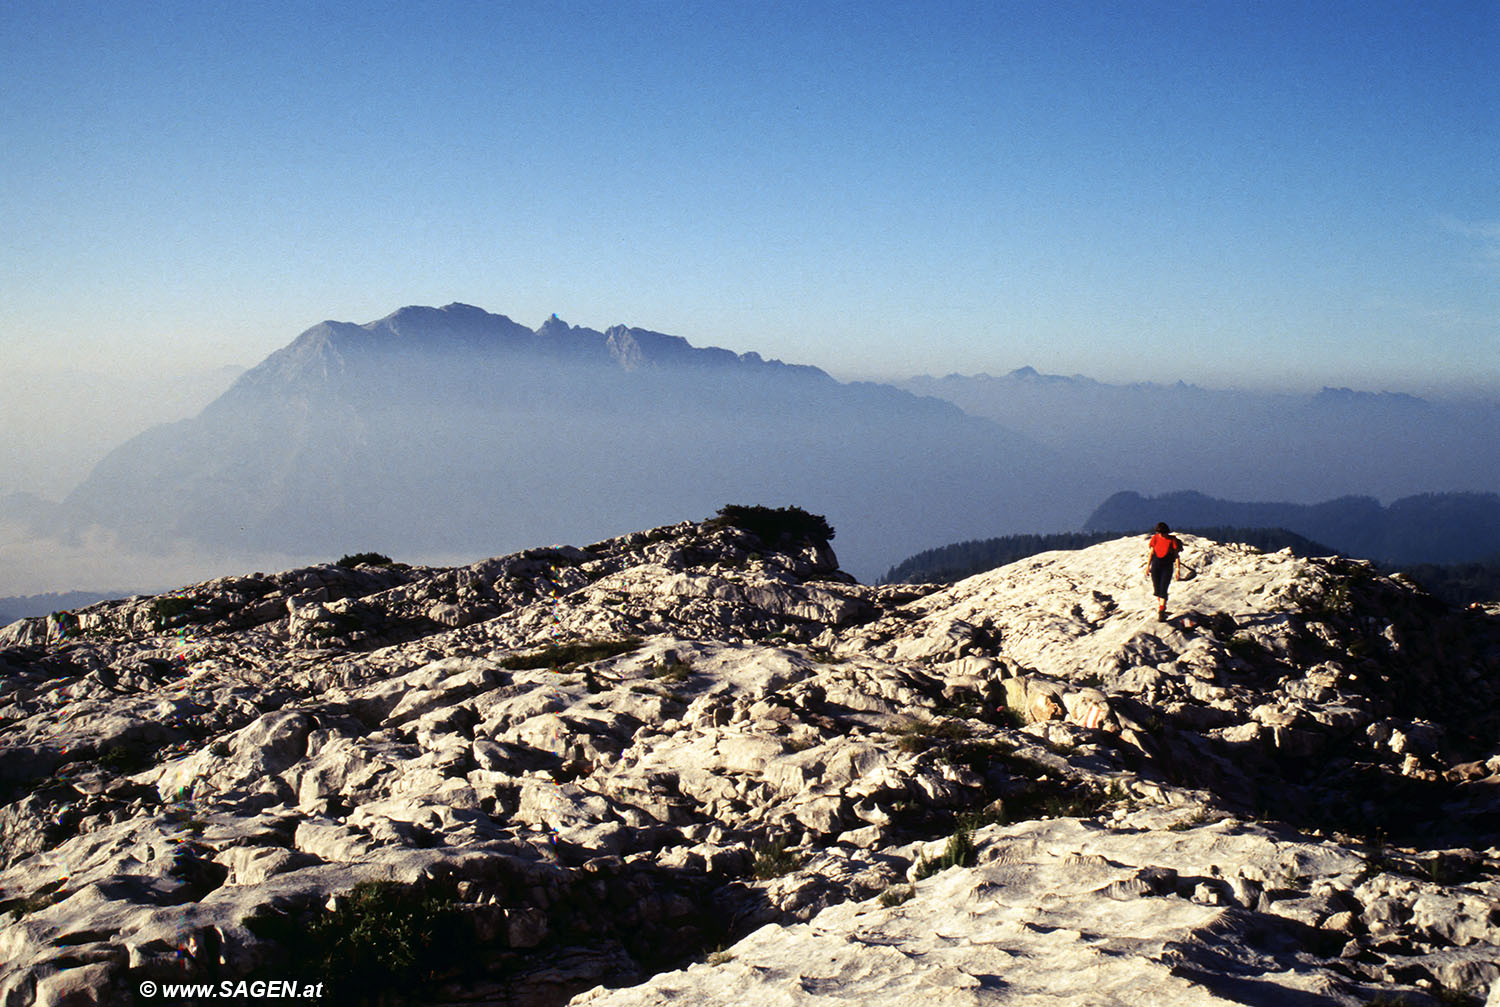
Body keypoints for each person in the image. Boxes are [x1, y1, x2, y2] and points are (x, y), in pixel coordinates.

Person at [1145, 522, 1183, 621]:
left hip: (1167, 566)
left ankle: (1161, 611)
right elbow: (1151, 553)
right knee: (1157, 589)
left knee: (1163, 588)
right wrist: (1148, 566)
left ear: (1166, 532)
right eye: (1159, 532)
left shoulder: (1172, 540)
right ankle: (1162, 604)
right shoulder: (1155, 538)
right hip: (1156, 566)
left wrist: (1178, 569)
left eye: (1162, 532)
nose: (1161, 534)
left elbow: (1176, 556)